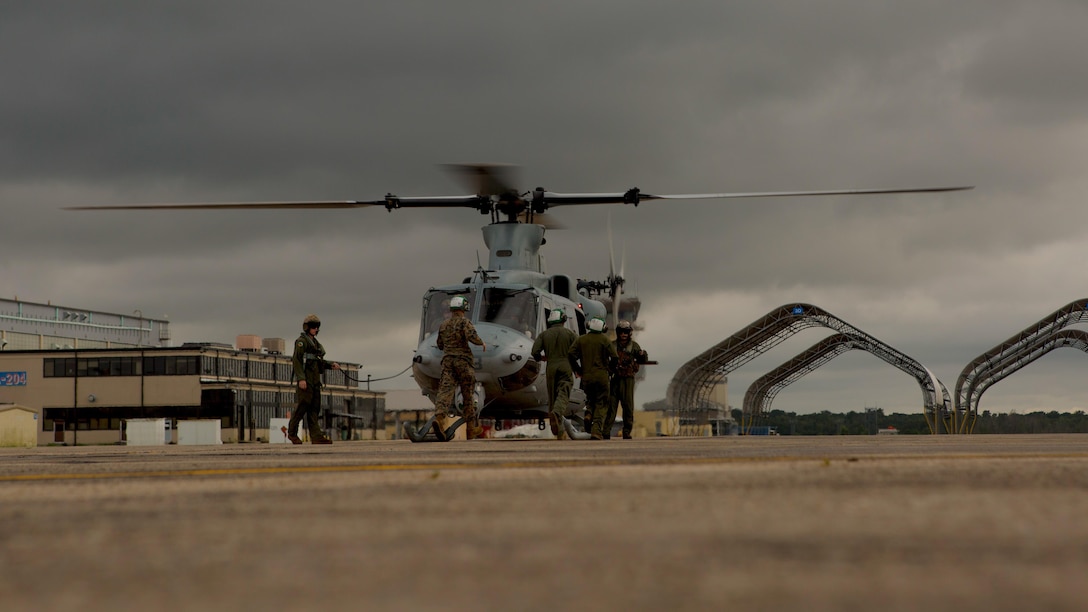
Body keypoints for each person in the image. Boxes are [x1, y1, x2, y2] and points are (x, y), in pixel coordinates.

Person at [433, 295, 487, 440]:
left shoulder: (443, 325)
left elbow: (439, 344)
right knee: (468, 395)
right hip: (463, 362)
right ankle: (471, 428)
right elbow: (472, 337)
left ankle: (439, 418)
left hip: (448, 362)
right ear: (464, 308)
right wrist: (482, 343)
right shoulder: (465, 323)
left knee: (445, 391)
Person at [288, 314, 340, 445]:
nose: (315, 329)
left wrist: (330, 365)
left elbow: (318, 361)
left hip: (315, 381)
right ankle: (292, 433)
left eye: (317, 327)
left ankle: (316, 436)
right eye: (313, 326)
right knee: (303, 406)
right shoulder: (301, 342)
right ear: (307, 327)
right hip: (306, 379)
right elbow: (297, 360)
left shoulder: (316, 344)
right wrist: (301, 379)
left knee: (314, 408)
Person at [531, 308, 578, 440]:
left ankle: (558, 430)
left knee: (553, 396)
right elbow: (577, 351)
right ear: (563, 320)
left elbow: (535, 351)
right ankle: (557, 413)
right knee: (564, 391)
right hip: (565, 364)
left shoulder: (544, 334)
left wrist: (542, 358)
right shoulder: (570, 334)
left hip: (550, 366)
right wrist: (577, 368)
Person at [568, 316, 617, 440]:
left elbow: (571, 354)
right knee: (601, 403)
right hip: (601, 377)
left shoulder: (581, 340)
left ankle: (589, 413)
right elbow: (615, 357)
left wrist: (578, 369)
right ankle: (596, 431)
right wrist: (610, 370)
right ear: (603, 327)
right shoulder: (605, 340)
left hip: (587, 377)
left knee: (590, 400)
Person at [606, 320, 649, 439]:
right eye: (621, 331)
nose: (624, 334)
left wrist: (642, 354)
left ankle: (626, 431)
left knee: (628, 406)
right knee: (611, 406)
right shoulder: (612, 345)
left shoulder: (634, 346)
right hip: (614, 379)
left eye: (626, 332)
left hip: (628, 380)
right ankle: (606, 431)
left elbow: (642, 359)